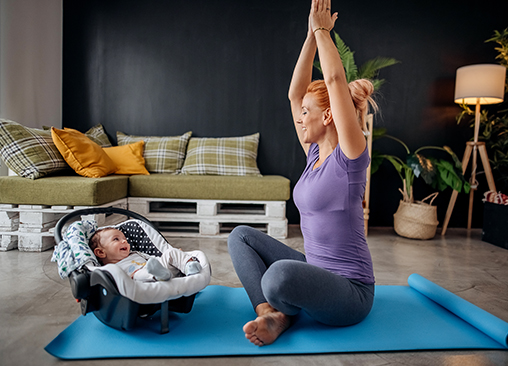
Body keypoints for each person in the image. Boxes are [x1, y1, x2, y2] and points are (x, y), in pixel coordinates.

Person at [227, 0, 377, 347]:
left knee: (278, 276)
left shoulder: (350, 158)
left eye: (307, 112)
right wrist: (311, 34)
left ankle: (280, 308)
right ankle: (272, 314)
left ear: (328, 117)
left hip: (351, 293)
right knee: (241, 236)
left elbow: (336, 80)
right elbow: (295, 93)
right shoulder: (313, 154)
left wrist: (325, 31)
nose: (299, 116)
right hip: (316, 272)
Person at [90, 227, 202, 282]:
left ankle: (189, 266)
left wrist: (176, 257)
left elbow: (155, 260)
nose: (124, 241)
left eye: (125, 239)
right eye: (116, 239)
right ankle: (157, 275)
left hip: (163, 270)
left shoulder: (135, 253)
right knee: (138, 274)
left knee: (170, 252)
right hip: (141, 283)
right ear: (100, 252)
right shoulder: (109, 269)